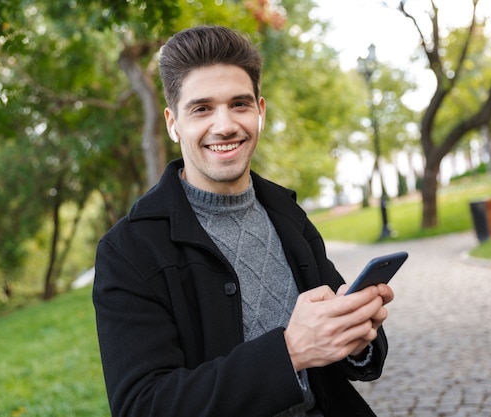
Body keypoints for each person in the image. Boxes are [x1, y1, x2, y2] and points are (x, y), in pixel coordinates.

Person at [93, 25, 394, 417]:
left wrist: (357, 336)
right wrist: (290, 352)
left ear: (260, 112)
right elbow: (143, 406)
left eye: (239, 104)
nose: (225, 125)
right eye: (202, 108)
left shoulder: (287, 213)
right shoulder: (129, 251)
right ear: (173, 123)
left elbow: (347, 353)